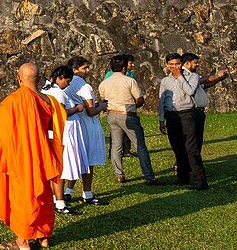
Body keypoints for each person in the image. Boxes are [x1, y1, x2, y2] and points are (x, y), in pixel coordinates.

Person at [0, 62, 64, 250]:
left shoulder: (13, 101)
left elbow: (1, 130)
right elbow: (55, 128)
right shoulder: (49, 101)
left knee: (25, 196)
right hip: (42, 157)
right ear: (38, 79)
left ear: (18, 77)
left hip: (21, 158)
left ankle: (22, 241)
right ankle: (43, 237)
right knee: (43, 194)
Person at [159, 53, 227, 190]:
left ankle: (200, 180)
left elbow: (190, 91)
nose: (174, 67)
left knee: (191, 148)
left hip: (186, 114)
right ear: (167, 65)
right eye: (171, 64)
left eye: (177, 64)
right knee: (177, 148)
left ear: (182, 64)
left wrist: (179, 77)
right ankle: (182, 177)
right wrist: (161, 119)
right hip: (171, 115)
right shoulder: (165, 81)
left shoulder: (193, 77)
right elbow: (161, 100)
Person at [97, 54, 160, 185]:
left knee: (116, 145)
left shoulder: (104, 83)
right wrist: (136, 104)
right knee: (140, 146)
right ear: (124, 68)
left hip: (112, 114)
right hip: (128, 114)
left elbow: (103, 99)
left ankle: (119, 174)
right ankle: (149, 176)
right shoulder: (129, 81)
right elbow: (139, 99)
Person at [40, 65, 92, 213]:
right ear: (60, 78)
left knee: (60, 165)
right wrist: (77, 108)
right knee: (63, 166)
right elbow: (61, 113)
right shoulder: (57, 93)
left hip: (57, 131)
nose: (68, 84)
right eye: (67, 81)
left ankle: (58, 199)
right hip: (65, 131)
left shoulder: (46, 90)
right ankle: (60, 201)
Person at [68, 57, 108, 203]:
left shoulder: (66, 84)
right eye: (85, 68)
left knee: (73, 158)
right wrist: (102, 106)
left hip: (74, 124)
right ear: (75, 69)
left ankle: (68, 191)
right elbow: (91, 111)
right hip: (87, 124)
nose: (88, 71)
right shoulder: (84, 86)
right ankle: (87, 193)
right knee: (89, 160)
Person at [181, 52, 226, 153]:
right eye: (195, 62)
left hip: (198, 112)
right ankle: (186, 162)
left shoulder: (193, 76)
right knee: (191, 140)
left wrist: (219, 78)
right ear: (187, 63)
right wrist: (218, 75)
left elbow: (206, 85)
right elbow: (205, 79)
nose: (197, 65)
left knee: (197, 139)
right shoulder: (185, 75)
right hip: (191, 111)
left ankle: (192, 161)